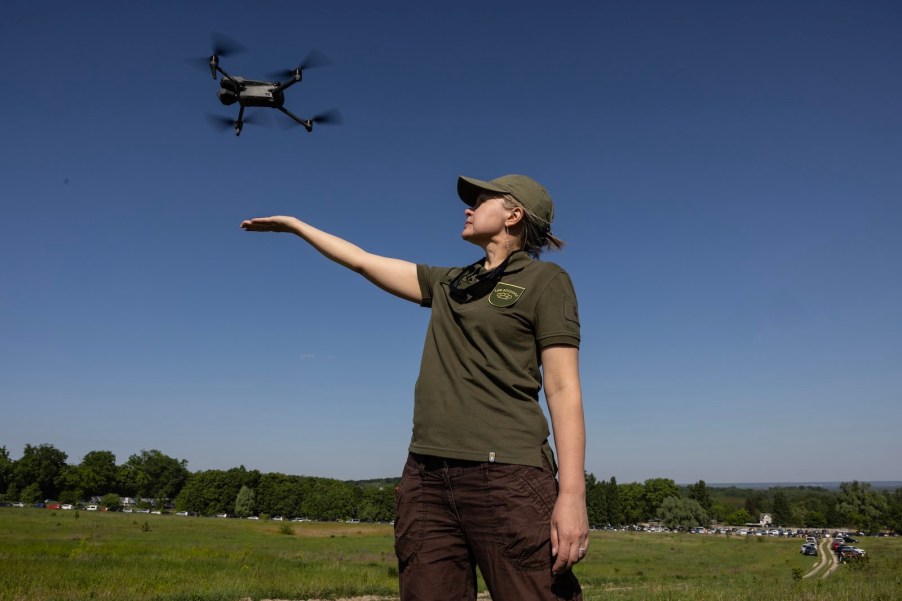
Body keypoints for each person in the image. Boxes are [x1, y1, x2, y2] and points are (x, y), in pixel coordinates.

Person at [241, 174, 588, 600]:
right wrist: (297, 226)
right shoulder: (449, 283)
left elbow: (562, 387)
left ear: (514, 215)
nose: (467, 208)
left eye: (481, 200)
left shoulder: (545, 281)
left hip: (508, 475)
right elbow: (362, 260)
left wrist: (571, 494)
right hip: (425, 478)